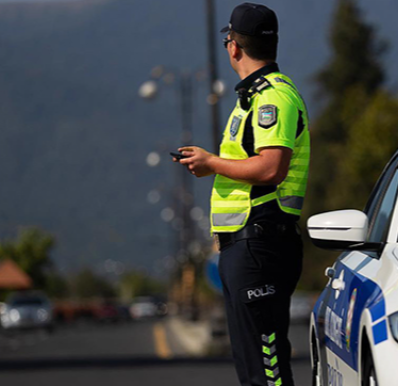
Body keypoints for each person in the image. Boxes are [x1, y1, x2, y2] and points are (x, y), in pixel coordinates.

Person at [174, 3, 309, 386]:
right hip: (248, 246)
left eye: (227, 40)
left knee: (267, 371)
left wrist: (212, 163)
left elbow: (271, 168)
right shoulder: (254, 97)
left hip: (261, 244)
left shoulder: (272, 99)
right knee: (253, 370)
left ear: (234, 46)